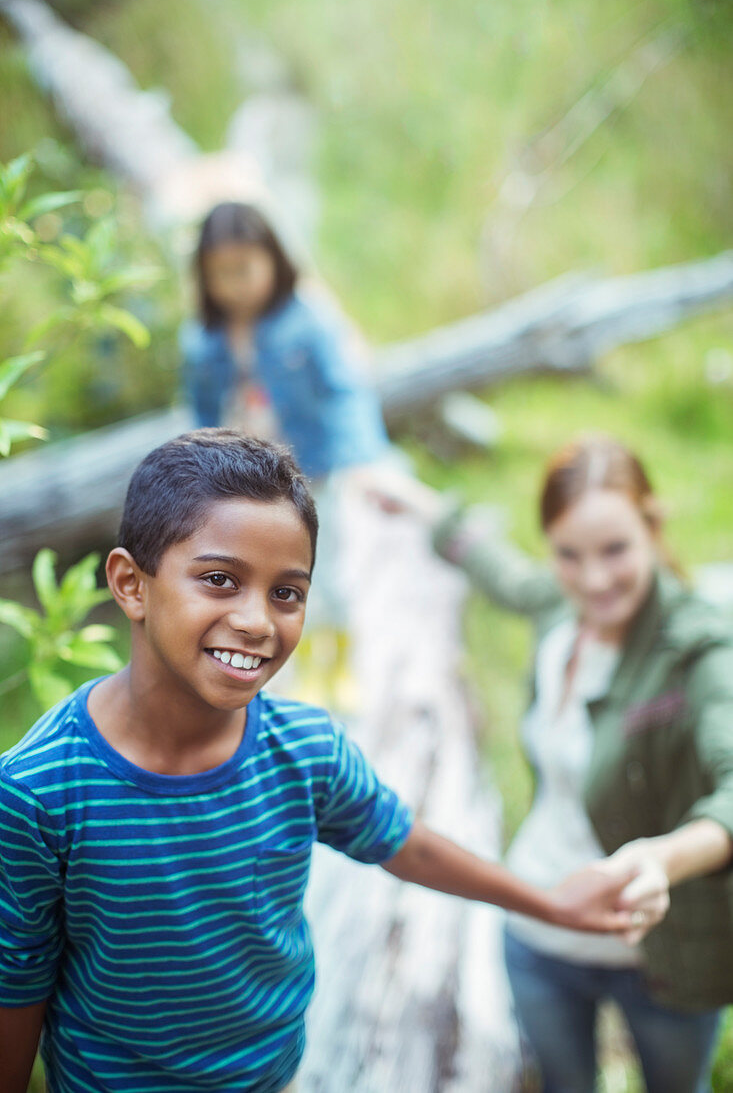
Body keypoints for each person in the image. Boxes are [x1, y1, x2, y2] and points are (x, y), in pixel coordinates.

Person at [0, 429, 640, 1093]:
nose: (256, 621)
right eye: (219, 580)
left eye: (287, 593)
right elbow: (16, 982)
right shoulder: (40, 791)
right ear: (131, 585)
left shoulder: (305, 751)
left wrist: (547, 904)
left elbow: (403, 844)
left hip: (274, 1075)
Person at [379, 434, 733, 1093]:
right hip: (537, 929)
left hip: (657, 953)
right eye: (568, 555)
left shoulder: (699, 653)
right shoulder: (559, 609)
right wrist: (421, 506)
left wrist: (660, 859)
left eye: (615, 550)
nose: (593, 579)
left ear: (653, 528)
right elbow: (502, 574)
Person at [180, 201, 394, 700]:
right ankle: (274, 664)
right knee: (259, 576)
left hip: (310, 472)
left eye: (245, 268)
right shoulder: (203, 341)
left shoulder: (307, 323)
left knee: (326, 571)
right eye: (220, 273)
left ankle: (338, 661)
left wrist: (364, 458)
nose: (235, 284)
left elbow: (346, 390)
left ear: (274, 260)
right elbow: (199, 413)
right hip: (243, 482)